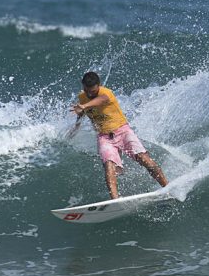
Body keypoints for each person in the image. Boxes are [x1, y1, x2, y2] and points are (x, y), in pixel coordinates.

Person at [71, 71, 168, 199]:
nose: (89, 94)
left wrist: (84, 106)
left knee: (145, 161)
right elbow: (82, 112)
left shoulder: (105, 93)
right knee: (109, 167)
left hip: (123, 131)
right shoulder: (82, 97)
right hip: (104, 137)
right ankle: (115, 200)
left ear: (99, 86)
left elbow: (100, 100)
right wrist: (76, 126)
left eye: (92, 91)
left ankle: (167, 187)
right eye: (86, 90)